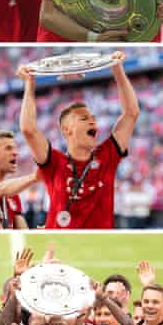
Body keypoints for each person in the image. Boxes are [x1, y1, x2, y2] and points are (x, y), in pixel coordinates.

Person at [17, 50, 138, 228]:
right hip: (59, 247)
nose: (93, 121)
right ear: (67, 130)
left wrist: (117, 70)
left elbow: (131, 113)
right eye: (84, 118)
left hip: (99, 249)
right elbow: (28, 129)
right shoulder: (54, 162)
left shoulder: (107, 156)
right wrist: (30, 83)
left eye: (93, 118)